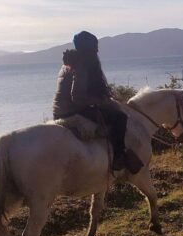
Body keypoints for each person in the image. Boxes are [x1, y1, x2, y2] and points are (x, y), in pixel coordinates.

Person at [53, 31, 142, 173]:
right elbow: (77, 98)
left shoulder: (70, 63)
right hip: (71, 111)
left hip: (61, 109)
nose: (96, 53)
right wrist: (101, 101)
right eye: (94, 50)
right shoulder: (80, 67)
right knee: (120, 117)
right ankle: (118, 157)